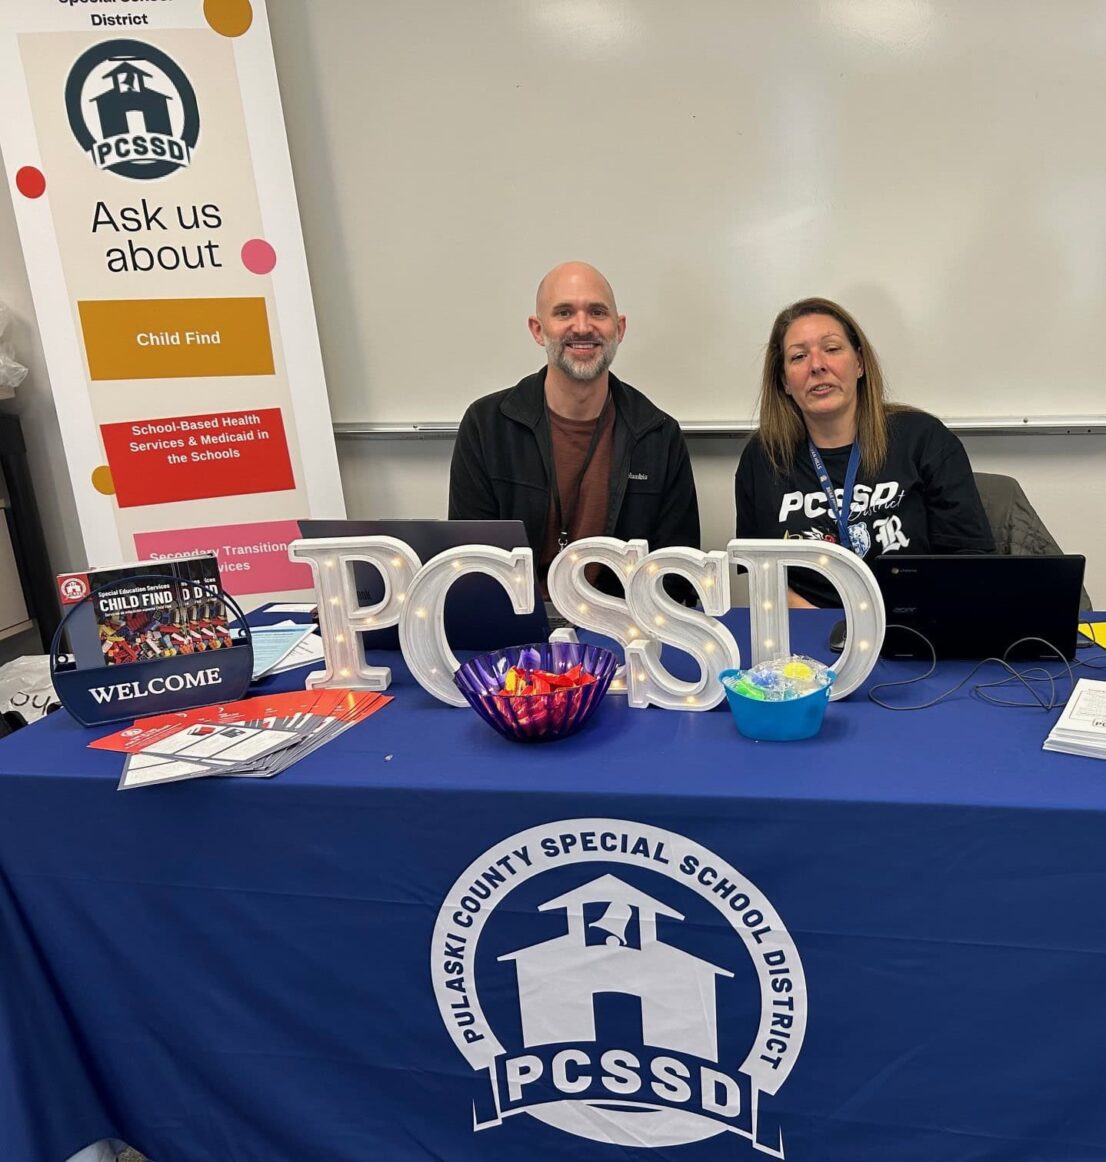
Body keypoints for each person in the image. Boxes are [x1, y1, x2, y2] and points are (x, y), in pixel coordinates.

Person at [449, 261, 700, 595]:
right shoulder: (486, 427)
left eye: (597, 312)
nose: (582, 327)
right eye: (564, 312)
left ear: (619, 328)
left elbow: (677, 578)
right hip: (517, 638)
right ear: (538, 330)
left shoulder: (659, 436)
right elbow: (471, 568)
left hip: (623, 633)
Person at [734, 296, 994, 608]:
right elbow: (759, 572)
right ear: (785, 382)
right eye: (799, 357)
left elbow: (970, 560)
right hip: (807, 629)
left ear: (859, 363)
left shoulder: (923, 439)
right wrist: (820, 625)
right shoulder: (763, 457)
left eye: (831, 349)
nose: (817, 365)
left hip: (912, 624)